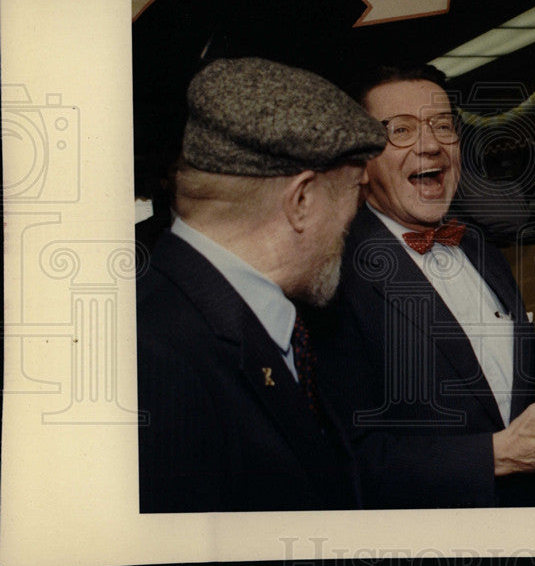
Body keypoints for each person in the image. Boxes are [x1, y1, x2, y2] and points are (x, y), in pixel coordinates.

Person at [322, 64, 535, 509]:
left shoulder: (476, 244)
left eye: (442, 126)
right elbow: (342, 460)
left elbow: (518, 397)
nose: (431, 144)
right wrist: (495, 457)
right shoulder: (330, 276)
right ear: (361, 162)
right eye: (401, 130)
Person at [137, 57, 387, 512]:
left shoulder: (214, 317)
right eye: (356, 193)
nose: (356, 219)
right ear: (302, 201)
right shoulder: (156, 362)